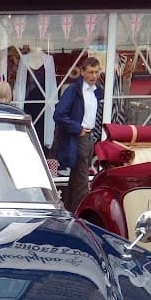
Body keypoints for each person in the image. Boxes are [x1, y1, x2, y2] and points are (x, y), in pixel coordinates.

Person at [53, 56, 103, 211]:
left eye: (96, 72)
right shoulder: (73, 91)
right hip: (78, 137)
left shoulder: (97, 91)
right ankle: (79, 215)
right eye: (90, 72)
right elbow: (59, 114)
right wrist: (77, 128)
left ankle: (69, 210)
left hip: (89, 136)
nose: (94, 76)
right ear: (82, 72)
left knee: (76, 178)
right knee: (81, 180)